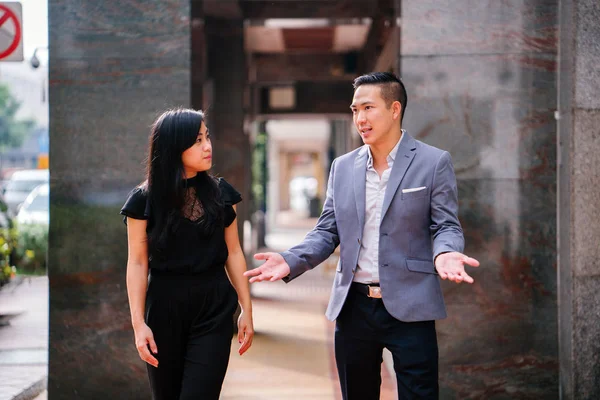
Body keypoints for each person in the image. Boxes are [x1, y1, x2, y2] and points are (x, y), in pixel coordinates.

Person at [245, 72, 480, 399]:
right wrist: (290, 259)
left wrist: (445, 253)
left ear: (395, 109)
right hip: (354, 307)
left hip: (412, 304)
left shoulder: (432, 162)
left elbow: (445, 225)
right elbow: (328, 229)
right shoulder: (343, 167)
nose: (360, 118)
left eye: (368, 108)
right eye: (355, 110)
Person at [121, 108, 253, 400]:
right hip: (164, 308)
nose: (207, 146)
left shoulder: (222, 194)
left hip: (213, 306)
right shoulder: (143, 200)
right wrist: (137, 323)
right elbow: (138, 262)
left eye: (207, 138)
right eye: (197, 141)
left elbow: (233, 252)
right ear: (173, 146)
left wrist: (246, 308)